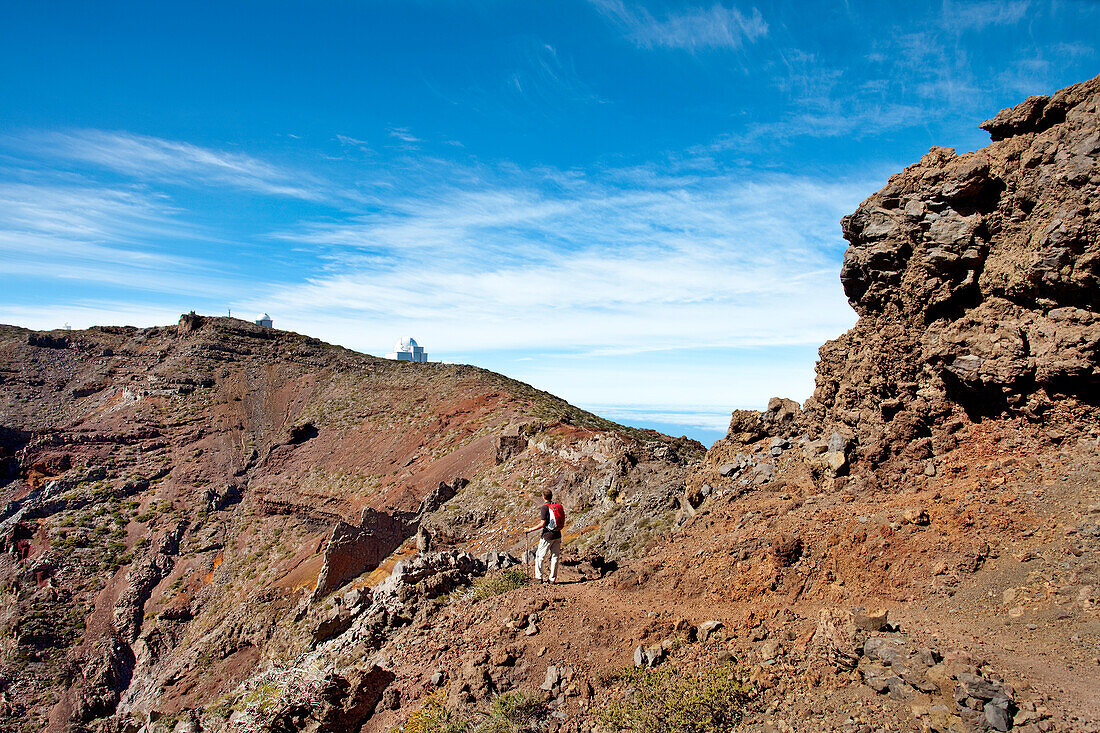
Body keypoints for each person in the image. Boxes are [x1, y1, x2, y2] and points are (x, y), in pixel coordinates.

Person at [525, 489, 564, 583]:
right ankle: (552, 579)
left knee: (539, 556)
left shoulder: (544, 508)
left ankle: (539, 578)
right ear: (551, 496)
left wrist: (529, 530)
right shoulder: (556, 506)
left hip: (547, 535)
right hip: (557, 534)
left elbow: (542, 524)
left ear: (543, 497)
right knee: (555, 557)